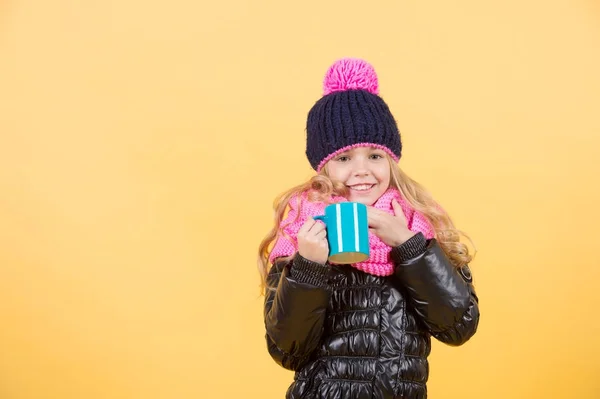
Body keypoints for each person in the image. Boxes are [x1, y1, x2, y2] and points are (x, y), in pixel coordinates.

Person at [257, 58, 480, 399]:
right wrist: (308, 267)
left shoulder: (418, 224)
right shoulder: (301, 229)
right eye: (344, 159)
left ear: (391, 160)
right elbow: (288, 350)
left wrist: (409, 246)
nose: (361, 170)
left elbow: (458, 326)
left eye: (375, 156)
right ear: (323, 167)